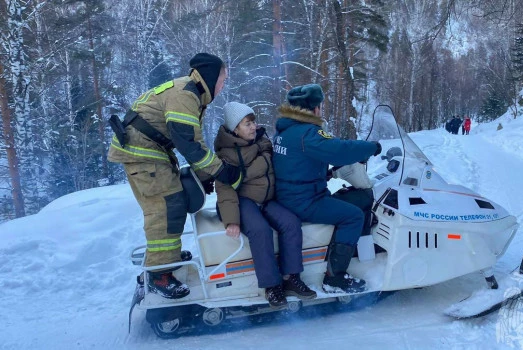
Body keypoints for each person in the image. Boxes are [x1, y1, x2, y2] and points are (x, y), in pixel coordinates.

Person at [108, 53, 243, 299]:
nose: (223, 86)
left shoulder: (190, 93)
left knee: (172, 204)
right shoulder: (185, 95)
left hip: (151, 152)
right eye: (223, 80)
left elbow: (194, 141)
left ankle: (164, 259)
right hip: (143, 154)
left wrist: (205, 174)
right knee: (166, 209)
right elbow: (188, 144)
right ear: (211, 77)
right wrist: (220, 171)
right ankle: (159, 275)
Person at [273, 84, 381, 293]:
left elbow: (296, 164)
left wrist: (325, 173)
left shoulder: (285, 131)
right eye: (320, 106)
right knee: (354, 215)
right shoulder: (308, 133)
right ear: (313, 109)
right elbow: (339, 149)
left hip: (290, 196)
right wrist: (372, 147)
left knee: (351, 199)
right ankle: (335, 277)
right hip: (305, 201)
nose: (321, 111)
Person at [215, 102, 317, 309]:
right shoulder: (227, 154)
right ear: (235, 128)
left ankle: (290, 278)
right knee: (260, 230)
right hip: (243, 200)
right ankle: (272, 286)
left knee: (290, 223)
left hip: (268, 199)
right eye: (247, 124)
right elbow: (224, 189)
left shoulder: (263, 141)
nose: (253, 127)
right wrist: (232, 221)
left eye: (253, 122)